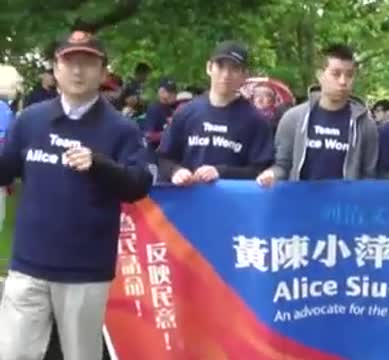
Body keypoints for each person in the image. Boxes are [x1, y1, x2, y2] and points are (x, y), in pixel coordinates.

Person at [0, 30, 152, 360]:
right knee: (13, 354)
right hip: (28, 266)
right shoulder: (30, 120)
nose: (78, 71)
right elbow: (5, 169)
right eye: (70, 62)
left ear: (103, 71)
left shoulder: (121, 129)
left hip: (84, 271)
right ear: (56, 69)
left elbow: (139, 185)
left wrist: (99, 165)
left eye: (87, 63)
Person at [256, 44, 378, 186]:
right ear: (320, 75)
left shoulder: (365, 125)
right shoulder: (293, 119)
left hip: (343, 206)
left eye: (349, 75)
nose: (343, 81)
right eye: (336, 74)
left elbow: (369, 176)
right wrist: (271, 174)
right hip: (302, 205)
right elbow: (282, 165)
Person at [157, 41, 273, 185]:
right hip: (188, 201)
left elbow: (261, 172)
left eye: (234, 69)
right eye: (220, 66)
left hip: (233, 204)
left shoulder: (256, 122)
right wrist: (176, 171)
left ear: (245, 75)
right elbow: (163, 158)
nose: (226, 75)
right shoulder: (186, 113)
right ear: (209, 68)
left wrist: (222, 172)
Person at [143, 78, 177, 148]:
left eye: (174, 92)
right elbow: (149, 136)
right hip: (156, 153)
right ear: (161, 92)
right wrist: (169, 134)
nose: (173, 95)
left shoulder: (172, 108)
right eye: (169, 92)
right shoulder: (154, 108)